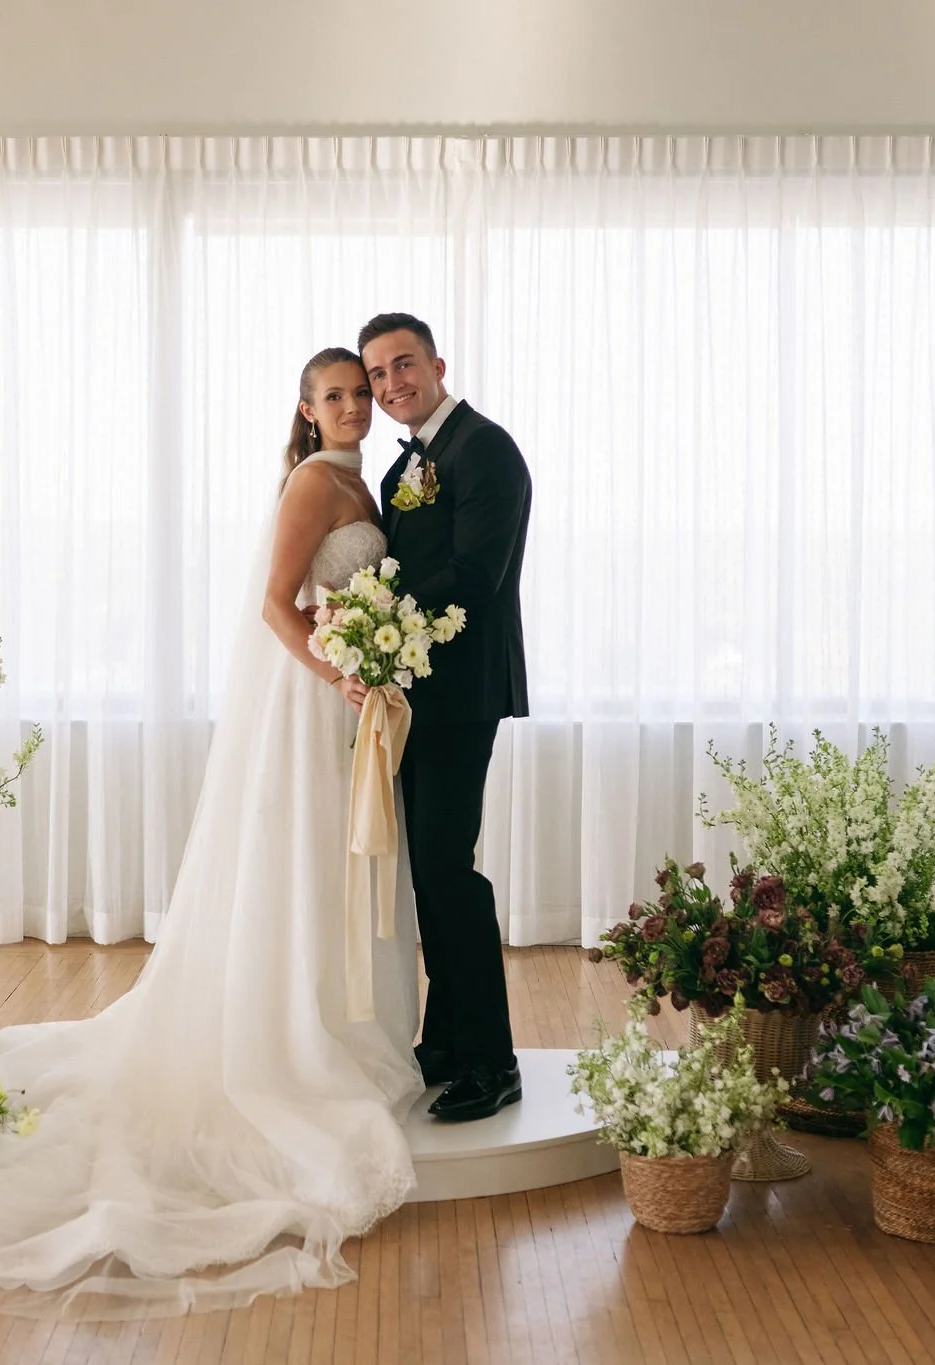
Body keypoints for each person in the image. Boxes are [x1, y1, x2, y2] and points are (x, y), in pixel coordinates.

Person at [0, 347, 422, 1319]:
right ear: (305, 411)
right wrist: (339, 672)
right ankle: (291, 1031)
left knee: (335, 869)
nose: (353, 407)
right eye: (335, 396)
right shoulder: (314, 483)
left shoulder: (363, 479)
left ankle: (336, 1013)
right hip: (313, 704)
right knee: (302, 866)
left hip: (345, 704)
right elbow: (274, 606)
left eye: (361, 394)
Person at [360, 312, 531, 1123]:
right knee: (428, 870)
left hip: (462, 694)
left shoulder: (484, 447)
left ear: (436, 362)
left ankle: (493, 1063)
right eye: (379, 375)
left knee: (448, 872)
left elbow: (474, 573)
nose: (392, 384)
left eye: (403, 365)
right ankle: (446, 1036)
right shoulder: (420, 458)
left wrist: (374, 613)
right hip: (418, 694)